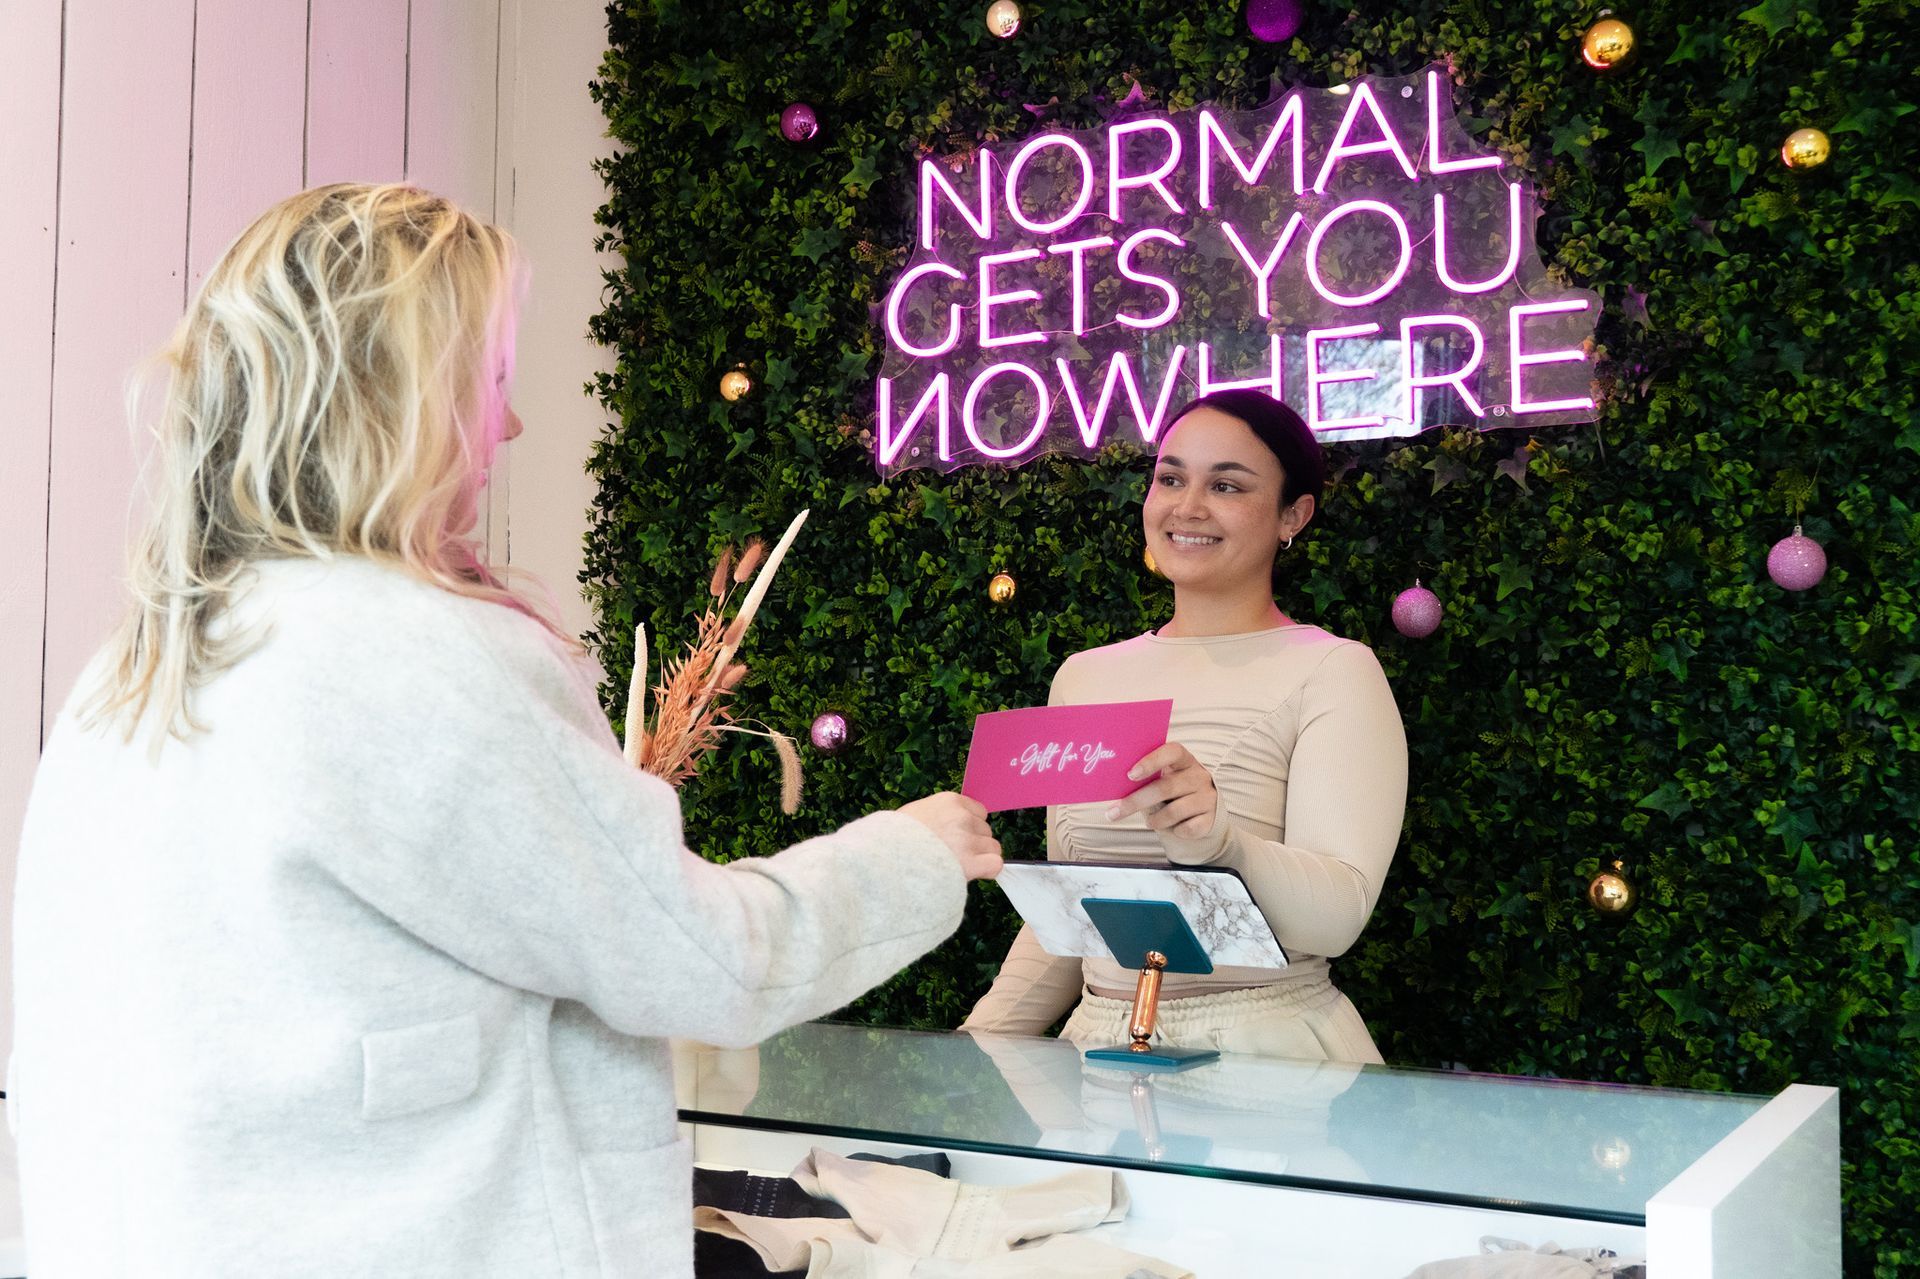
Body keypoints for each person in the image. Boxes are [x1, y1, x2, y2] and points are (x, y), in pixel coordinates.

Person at [7, 183, 1001, 1276]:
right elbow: (701, 958)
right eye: (485, 380)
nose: (509, 422)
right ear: (393, 397)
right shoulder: (411, 649)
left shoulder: (135, 666)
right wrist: (914, 855)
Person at [961, 389, 1407, 1064]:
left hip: (1272, 1063)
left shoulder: (1335, 670)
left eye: (1226, 484)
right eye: (1171, 478)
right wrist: (975, 1050)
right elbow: (1073, 913)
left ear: (1294, 514)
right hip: (1098, 1060)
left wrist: (1223, 844)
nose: (1187, 506)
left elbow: (1338, 916)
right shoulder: (1082, 676)